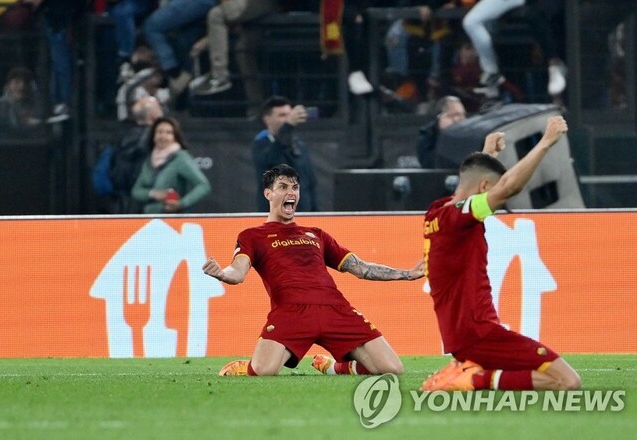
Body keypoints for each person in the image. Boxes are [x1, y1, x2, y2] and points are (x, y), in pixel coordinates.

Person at [202, 164, 425, 376]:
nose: (291, 193)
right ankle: (245, 366)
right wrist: (222, 274)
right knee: (263, 371)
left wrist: (407, 274)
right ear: (268, 194)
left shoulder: (316, 234)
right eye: (283, 187)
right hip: (291, 311)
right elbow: (238, 272)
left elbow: (360, 268)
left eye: (295, 187)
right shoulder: (252, 236)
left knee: (392, 368)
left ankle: (336, 368)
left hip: (334, 309)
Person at [420, 115, 581, 391]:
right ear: (484, 189)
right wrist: (546, 141)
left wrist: (486, 155)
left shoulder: (437, 211)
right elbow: (509, 188)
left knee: (556, 378)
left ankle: (469, 371)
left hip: (464, 336)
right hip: (480, 333)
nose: (493, 204)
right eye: (489, 193)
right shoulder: (461, 216)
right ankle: (472, 378)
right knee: (568, 382)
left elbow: (474, 183)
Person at [189, 0, 280, 97]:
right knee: (242, 49)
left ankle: (219, 75)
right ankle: (256, 107)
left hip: (264, 3)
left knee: (216, 14)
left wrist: (207, 40)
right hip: (253, 13)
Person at [130, 116, 211, 213]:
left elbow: (203, 185)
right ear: (153, 136)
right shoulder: (149, 160)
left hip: (172, 219)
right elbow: (136, 191)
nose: (163, 136)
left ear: (175, 137)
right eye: (159, 132)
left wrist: (182, 203)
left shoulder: (181, 157)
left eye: (168, 133)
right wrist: (154, 194)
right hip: (150, 218)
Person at [252, 96, 318, 212]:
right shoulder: (261, 143)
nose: (287, 119)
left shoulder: (298, 144)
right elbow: (273, 159)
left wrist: (316, 212)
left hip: (303, 213)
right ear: (267, 119)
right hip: (275, 215)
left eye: (289, 115)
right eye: (282, 115)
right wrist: (288, 126)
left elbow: (310, 181)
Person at [416, 95, 466, 168]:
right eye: (456, 115)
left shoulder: (468, 134)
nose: (462, 119)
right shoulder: (427, 134)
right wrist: (446, 135)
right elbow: (428, 164)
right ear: (441, 117)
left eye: (463, 115)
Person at [0, 66, 45, 135]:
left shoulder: (39, 107)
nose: (22, 86)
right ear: (9, 84)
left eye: (26, 83)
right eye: (17, 82)